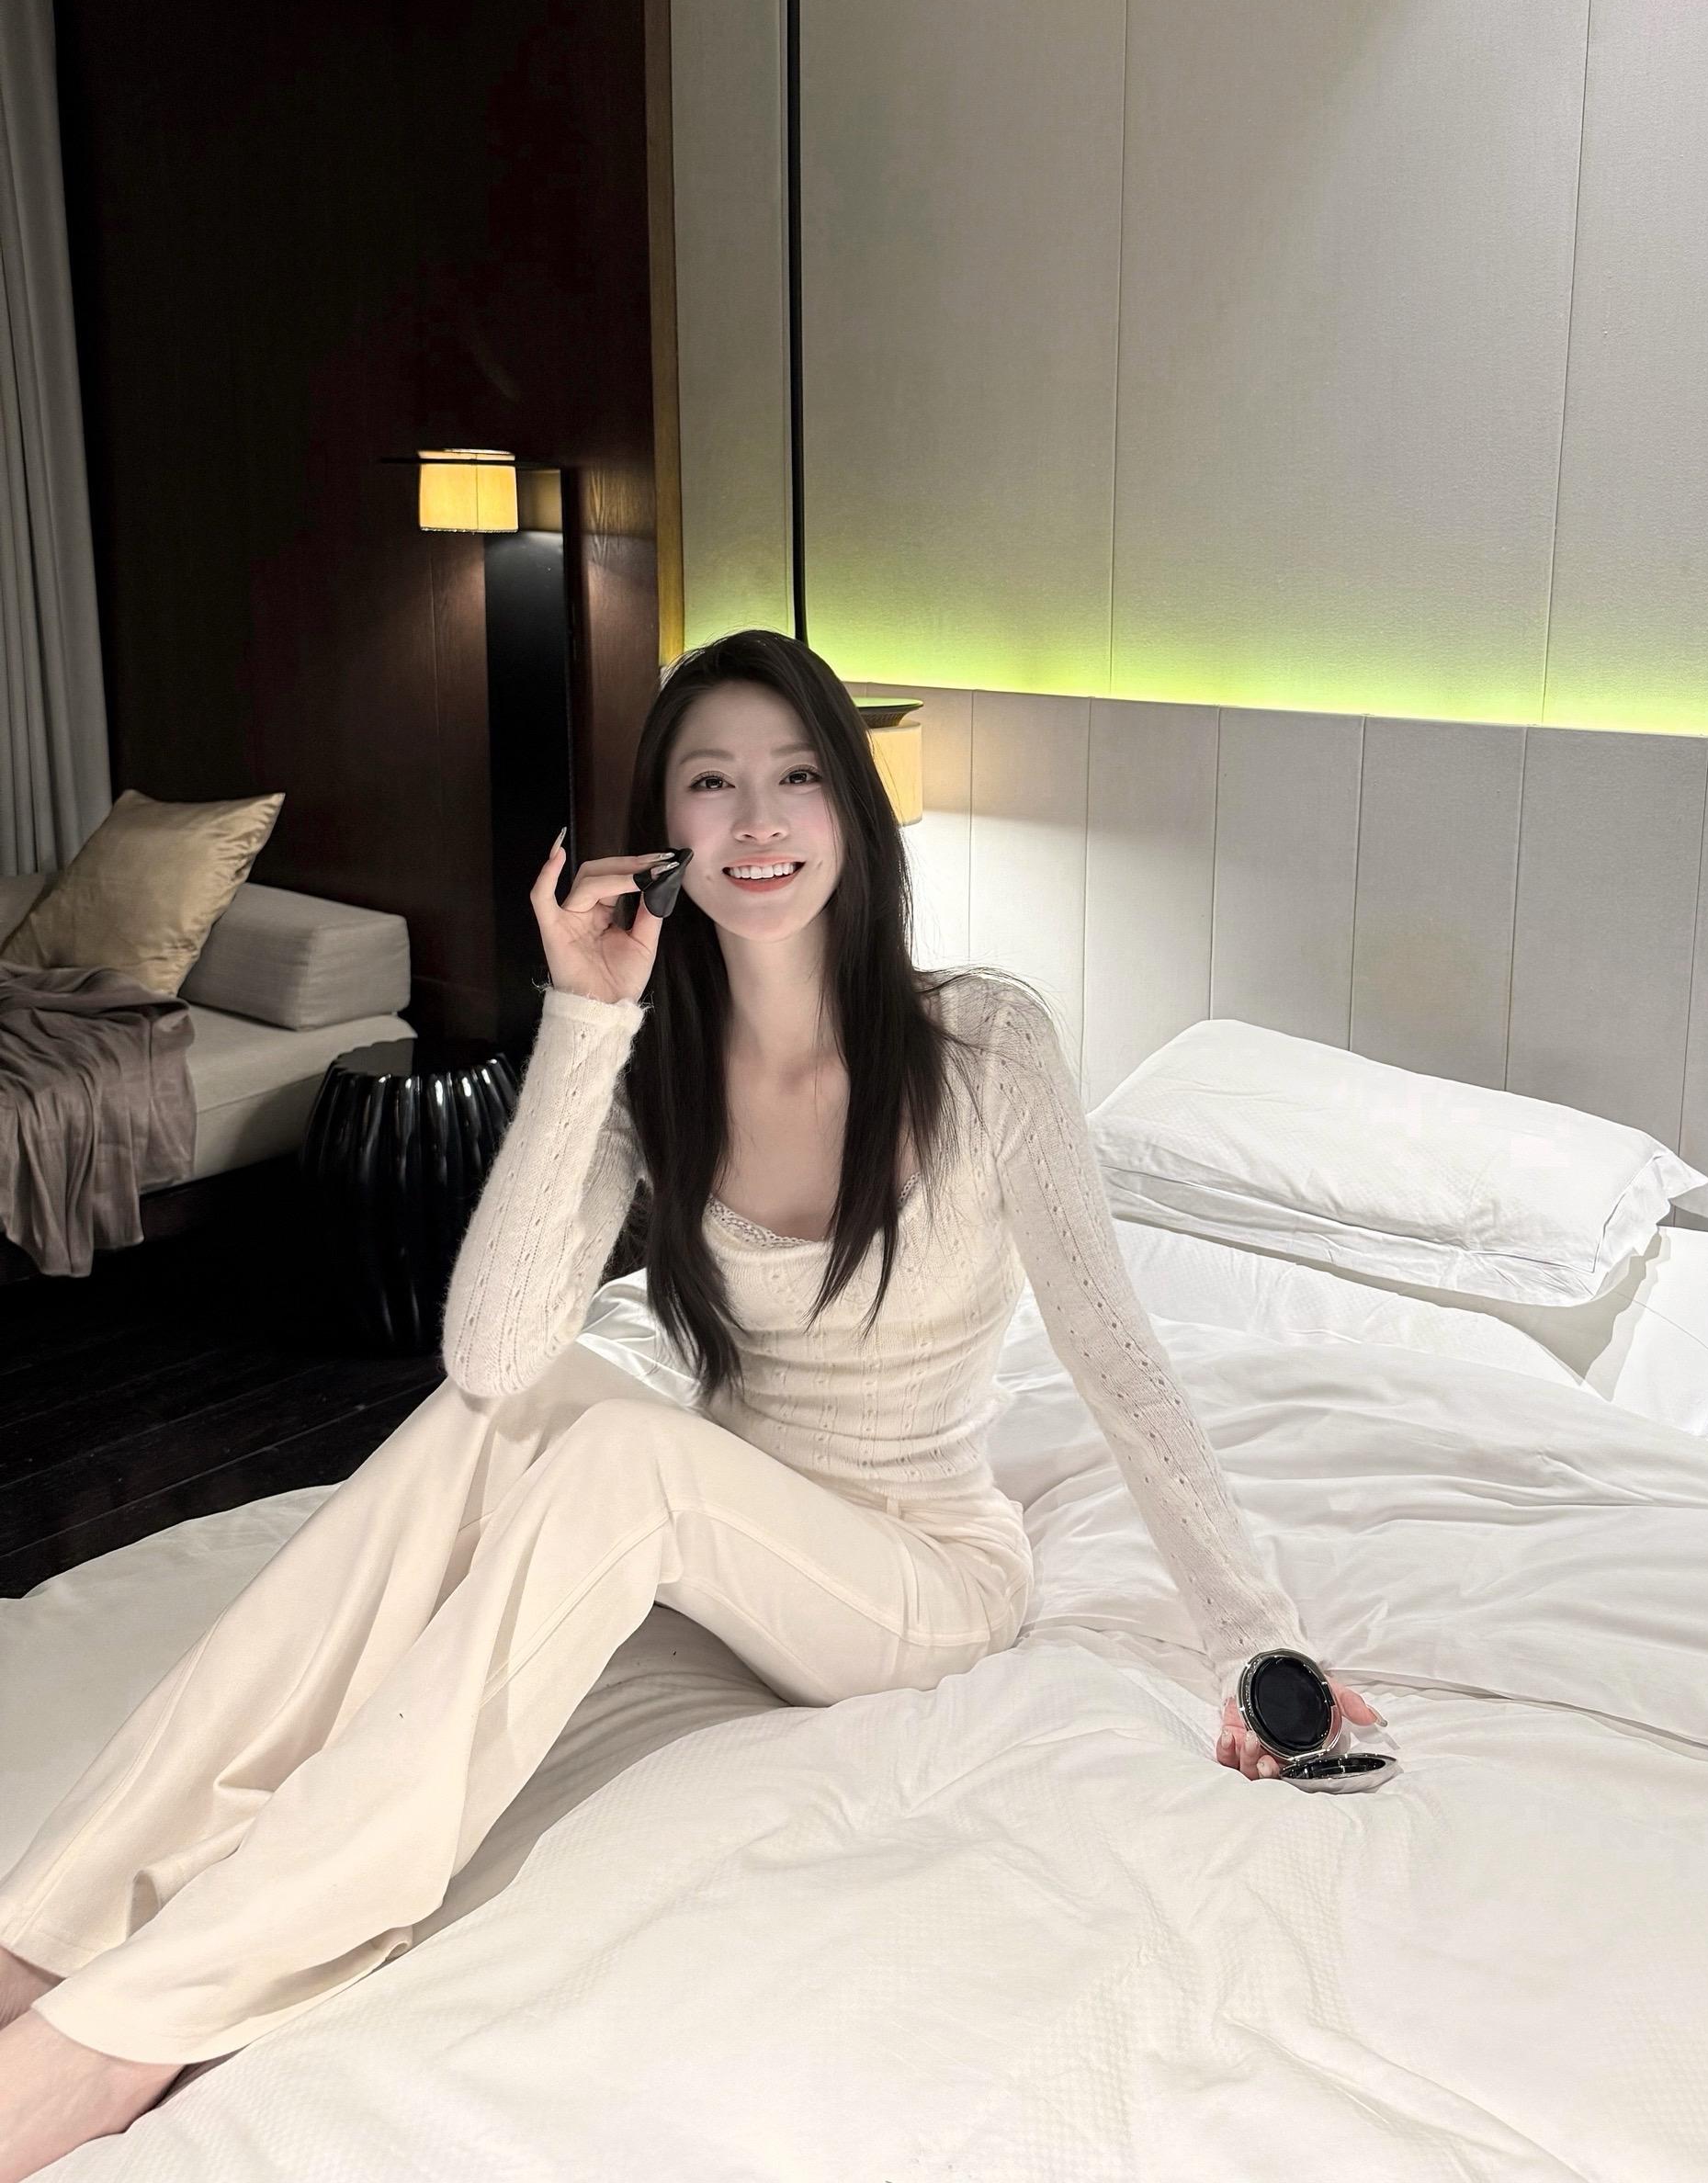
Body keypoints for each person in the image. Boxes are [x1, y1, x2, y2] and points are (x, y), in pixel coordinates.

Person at [0, 628, 1384, 2174]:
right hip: (729, 1542)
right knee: (523, 1411)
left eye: (798, 778)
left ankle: (140, 2026)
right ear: (663, 835)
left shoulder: (986, 1046)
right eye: (712, 785)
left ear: (853, 808)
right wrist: (585, 1020)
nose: (759, 821)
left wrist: (1255, 1638)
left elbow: (1119, 1361)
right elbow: (491, 1360)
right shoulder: (654, 1064)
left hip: (921, 1581)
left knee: (627, 1462)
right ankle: (50, 1930)